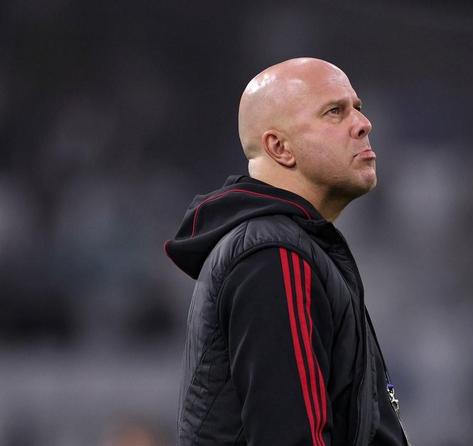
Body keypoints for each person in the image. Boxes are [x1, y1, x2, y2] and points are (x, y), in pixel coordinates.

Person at [165, 57, 410, 445]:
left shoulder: (291, 246)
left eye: (357, 108)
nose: (364, 124)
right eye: (335, 112)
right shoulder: (276, 254)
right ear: (279, 147)